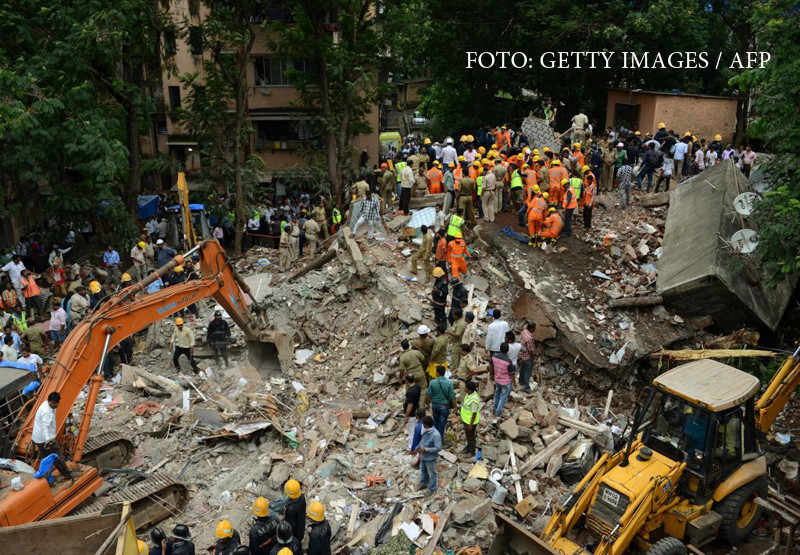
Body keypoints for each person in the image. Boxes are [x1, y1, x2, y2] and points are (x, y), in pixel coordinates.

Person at [32, 392, 74, 480]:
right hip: (45, 439)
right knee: (58, 456)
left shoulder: (46, 404)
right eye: (54, 403)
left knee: (47, 458)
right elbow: (45, 427)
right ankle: (67, 475)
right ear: (49, 401)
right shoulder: (47, 412)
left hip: (38, 438)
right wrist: (47, 439)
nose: (57, 405)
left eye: (57, 403)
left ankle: (46, 477)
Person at [416, 415, 442, 496]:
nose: (422, 425)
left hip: (430, 458)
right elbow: (422, 441)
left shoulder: (436, 435)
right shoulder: (426, 431)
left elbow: (438, 448)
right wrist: (417, 447)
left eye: (423, 424)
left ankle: (432, 489)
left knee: (432, 473)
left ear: (427, 425)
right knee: (423, 471)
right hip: (423, 456)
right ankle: (423, 483)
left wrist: (426, 449)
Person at [427, 364, 454, 439]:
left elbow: (428, 395)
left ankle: (434, 438)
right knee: (442, 424)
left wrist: (428, 403)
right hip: (444, 406)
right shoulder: (449, 383)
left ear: (437, 373)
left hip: (435, 405)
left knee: (435, 422)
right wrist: (455, 407)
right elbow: (452, 396)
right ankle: (439, 439)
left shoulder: (432, 382)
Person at [399, 339, 428, 407]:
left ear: (402, 347)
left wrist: (400, 378)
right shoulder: (416, 352)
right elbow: (423, 359)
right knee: (423, 391)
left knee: (409, 391)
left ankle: (412, 406)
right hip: (420, 373)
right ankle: (421, 407)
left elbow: (402, 370)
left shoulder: (402, 357)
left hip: (410, 377)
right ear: (409, 345)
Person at [490, 342, 516, 415]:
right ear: (508, 350)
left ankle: (494, 408)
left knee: (497, 393)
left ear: (500, 348)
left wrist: (491, 374)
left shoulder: (494, 356)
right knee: (503, 396)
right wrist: (514, 382)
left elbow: (491, 366)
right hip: (505, 381)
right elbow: (512, 374)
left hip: (497, 379)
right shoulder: (508, 361)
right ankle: (498, 411)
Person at [460, 380, 481, 457]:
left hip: (470, 422)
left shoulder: (474, 400)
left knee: (471, 437)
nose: (464, 388)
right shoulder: (469, 394)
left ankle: (471, 452)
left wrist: (471, 425)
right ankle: (468, 447)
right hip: (466, 420)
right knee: (468, 435)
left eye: (466, 388)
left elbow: (474, 413)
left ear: (470, 390)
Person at [283, 479, 306, 543]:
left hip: (295, 533)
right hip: (301, 526)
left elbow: (289, 524)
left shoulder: (291, 509)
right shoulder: (302, 497)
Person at [403, 373, 422, 447]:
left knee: (411, 432)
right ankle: (417, 444)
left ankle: (411, 447)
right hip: (417, 411)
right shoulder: (418, 386)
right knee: (416, 429)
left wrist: (406, 416)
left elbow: (410, 405)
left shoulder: (410, 392)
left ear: (407, 381)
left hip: (411, 414)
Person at [518, 322, 537, 393]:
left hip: (522, 354)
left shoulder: (524, 331)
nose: (535, 329)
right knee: (527, 372)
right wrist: (533, 357)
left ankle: (521, 381)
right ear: (531, 328)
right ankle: (526, 387)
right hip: (527, 356)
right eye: (534, 328)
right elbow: (530, 350)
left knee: (523, 368)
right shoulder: (529, 338)